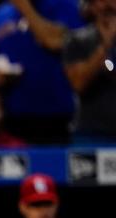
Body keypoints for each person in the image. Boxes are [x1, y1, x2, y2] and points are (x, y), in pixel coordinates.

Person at [0, 0, 84, 145]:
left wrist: (25, 8)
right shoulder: (1, 14)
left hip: (56, 115)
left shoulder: (63, 6)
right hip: (12, 115)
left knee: (52, 165)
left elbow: (55, 41)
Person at [62, 0, 116, 143]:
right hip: (91, 134)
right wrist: (105, 45)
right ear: (91, 6)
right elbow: (78, 83)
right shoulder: (77, 40)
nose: (108, 4)